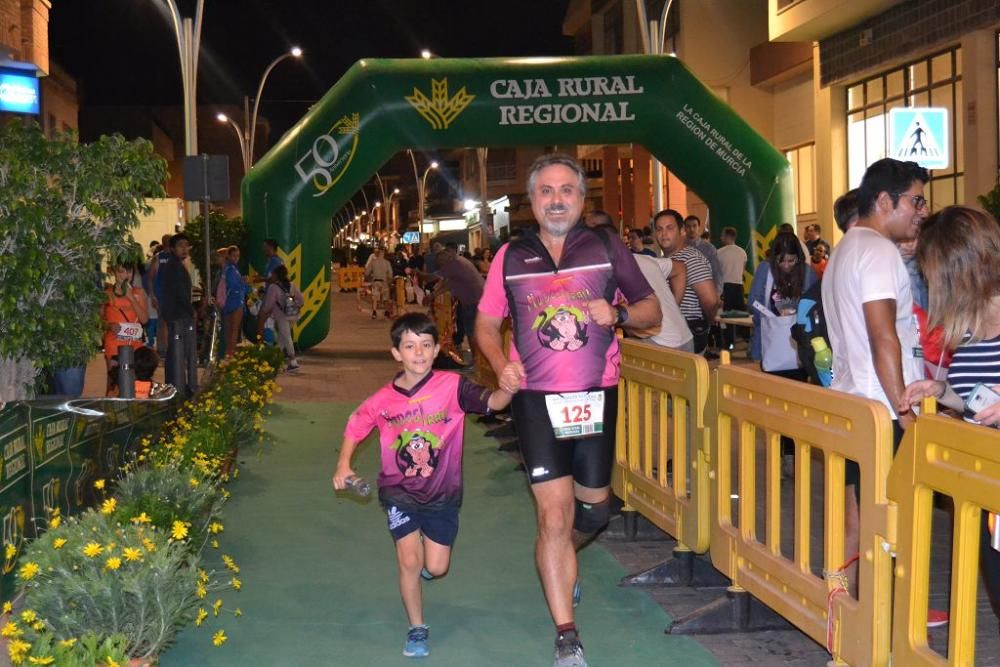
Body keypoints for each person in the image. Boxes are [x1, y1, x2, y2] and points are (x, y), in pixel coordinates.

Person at [476, 154, 660, 667]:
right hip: (536, 400)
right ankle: (566, 634)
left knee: (595, 511)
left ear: (581, 199)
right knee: (553, 517)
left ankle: (561, 561)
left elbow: (651, 311)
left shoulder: (605, 247)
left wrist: (619, 312)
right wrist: (499, 365)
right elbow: (487, 325)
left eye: (566, 191)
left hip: (596, 394)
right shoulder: (510, 255)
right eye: (545, 192)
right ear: (532, 202)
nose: (556, 199)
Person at [332, 313, 516, 659]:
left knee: (438, 566)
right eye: (410, 346)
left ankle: (426, 570)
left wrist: (508, 389)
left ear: (436, 351)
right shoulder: (383, 399)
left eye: (426, 346)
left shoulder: (452, 387)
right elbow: (356, 424)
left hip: (443, 496)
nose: (418, 353)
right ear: (396, 353)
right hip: (398, 494)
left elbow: (492, 403)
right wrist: (344, 463)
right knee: (409, 561)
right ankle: (417, 628)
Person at [822, 158, 930, 611]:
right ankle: (881, 619)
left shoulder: (847, 247)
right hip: (883, 408)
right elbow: (883, 335)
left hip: (853, 401)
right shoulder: (880, 251)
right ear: (884, 200)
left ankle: (846, 609)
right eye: (916, 200)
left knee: (857, 517)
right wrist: (905, 412)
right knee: (888, 521)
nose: (922, 211)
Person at [901, 206, 1000, 633]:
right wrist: (942, 393)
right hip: (986, 485)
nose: (929, 282)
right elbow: (978, 401)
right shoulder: (969, 325)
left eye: (934, 271)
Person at [749, 232, 817, 474]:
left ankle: (792, 451)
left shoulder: (808, 273)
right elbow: (753, 303)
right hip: (772, 348)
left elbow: (814, 305)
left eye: (791, 261)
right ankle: (779, 447)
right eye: (782, 261)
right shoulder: (764, 271)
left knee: (796, 404)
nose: (787, 266)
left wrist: (795, 313)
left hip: (800, 351)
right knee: (775, 403)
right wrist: (773, 316)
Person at [653, 209, 719, 355]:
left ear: (682, 231)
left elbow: (711, 301)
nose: (664, 234)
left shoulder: (692, 259)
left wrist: (703, 326)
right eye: (659, 229)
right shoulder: (663, 261)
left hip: (687, 332)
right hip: (667, 332)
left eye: (669, 228)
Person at [159, 234, 198, 397]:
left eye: (186, 245)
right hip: (179, 316)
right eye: (180, 245)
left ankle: (176, 387)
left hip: (176, 314)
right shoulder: (174, 267)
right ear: (173, 248)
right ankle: (180, 389)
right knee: (181, 354)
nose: (184, 249)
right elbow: (180, 294)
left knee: (177, 354)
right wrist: (192, 311)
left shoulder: (176, 266)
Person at [102, 263, 149, 396]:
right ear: (115, 274)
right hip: (114, 342)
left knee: (136, 380)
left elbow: (144, 319)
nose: (126, 276)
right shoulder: (107, 294)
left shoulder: (139, 293)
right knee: (113, 380)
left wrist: (131, 298)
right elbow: (98, 321)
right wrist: (109, 326)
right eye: (122, 272)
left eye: (129, 272)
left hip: (134, 342)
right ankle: (110, 410)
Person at [256, 264, 305, 372]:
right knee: (282, 338)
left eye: (272, 274)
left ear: (276, 275)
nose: (271, 276)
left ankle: (293, 362)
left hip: (281, 316)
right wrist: (293, 306)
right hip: (294, 315)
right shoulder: (292, 285)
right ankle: (275, 361)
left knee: (286, 337)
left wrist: (262, 314)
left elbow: (268, 305)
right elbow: (301, 301)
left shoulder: (273, 287)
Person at [221, 245, 247, 357]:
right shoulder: (231, 270)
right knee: (234, 329)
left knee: (229, 328)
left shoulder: (228, 268)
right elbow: (233, 285)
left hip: (229, 301)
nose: (236, 258)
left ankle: (228, 351)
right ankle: (231, 352)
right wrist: (243, 282)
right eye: (234, 256)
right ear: (229, 256)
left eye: (238, 256)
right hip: (235, 301)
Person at [364, 247, 395, 320]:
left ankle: (374, 312)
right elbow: (390, 274)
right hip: (384, 282)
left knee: (375, 298)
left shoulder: (373, 262)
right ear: (384, 254)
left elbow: (366, 273)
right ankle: (386, 312)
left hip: (375, 282)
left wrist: (368, 278)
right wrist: (390, 281)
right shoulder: (387, 263)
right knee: (385, 298)